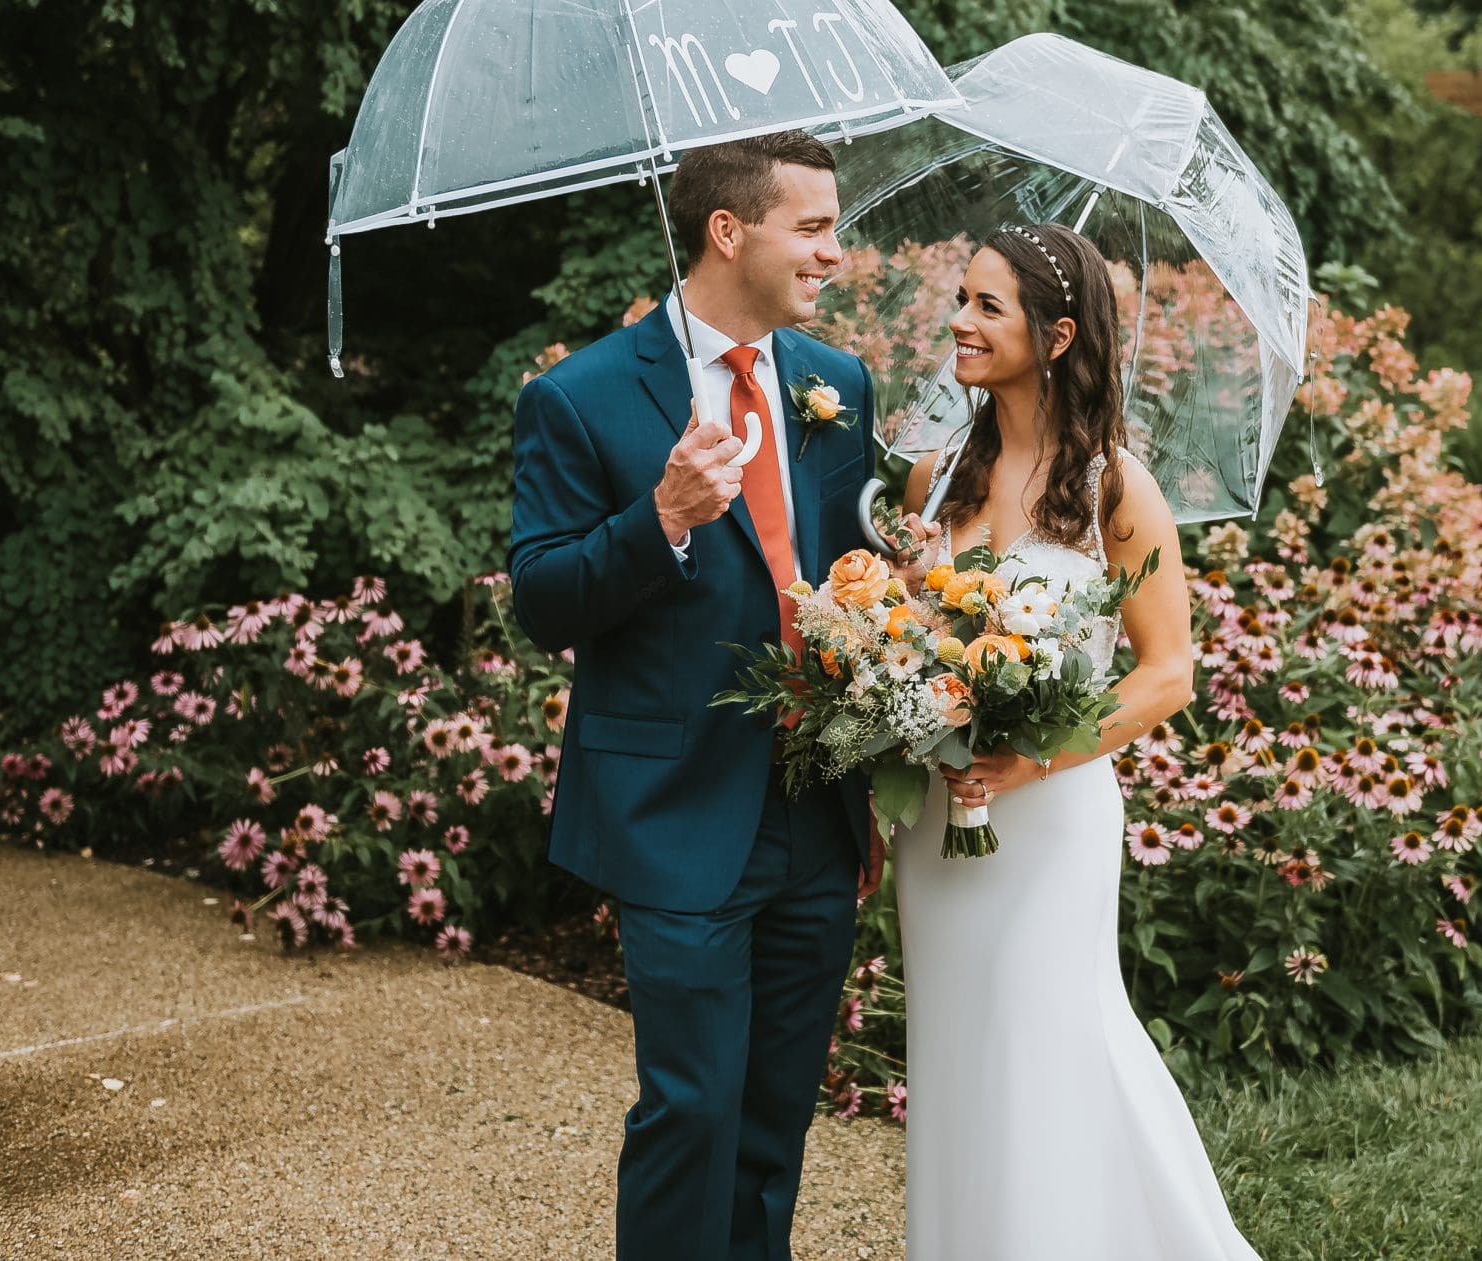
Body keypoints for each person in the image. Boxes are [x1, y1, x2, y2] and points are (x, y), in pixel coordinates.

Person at [508, 130, 891, 1261]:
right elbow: (543, 600)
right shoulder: (578, 397)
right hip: (674, 812)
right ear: (728, 231)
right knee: (692, 1108)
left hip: (817, 807)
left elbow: (849, 568)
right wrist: (661, 517)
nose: (833, 252)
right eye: (810, 227)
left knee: (775, 1115)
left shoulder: (838, 384)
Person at [895, 221, 1261, 1260]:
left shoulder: (1114, 487)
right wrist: (902, 623)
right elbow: (907, 636)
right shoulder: (935, 479)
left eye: (987, 306)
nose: (960, 322)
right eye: (960, 299)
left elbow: (1167, 671)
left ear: (1056, 336)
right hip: (941, 821)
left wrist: (1030, 758)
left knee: (1051, 1040)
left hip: (1050, 818)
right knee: (960, 1054)